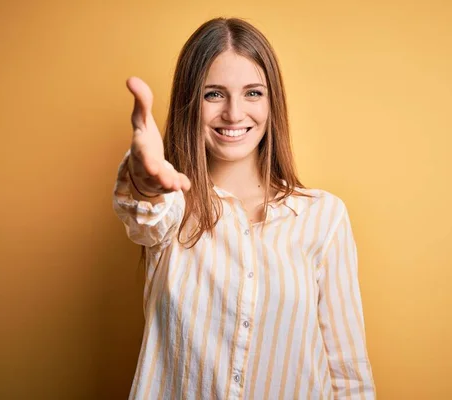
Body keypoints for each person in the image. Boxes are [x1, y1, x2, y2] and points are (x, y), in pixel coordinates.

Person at [113, 17, 375, 400]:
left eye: (253, 93)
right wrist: (143, 178)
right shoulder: (172, 210)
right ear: (190, 103)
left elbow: (348, 372)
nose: (234, 114)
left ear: (273, 103)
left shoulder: (323, 218)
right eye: (213, 94)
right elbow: (142, 214)